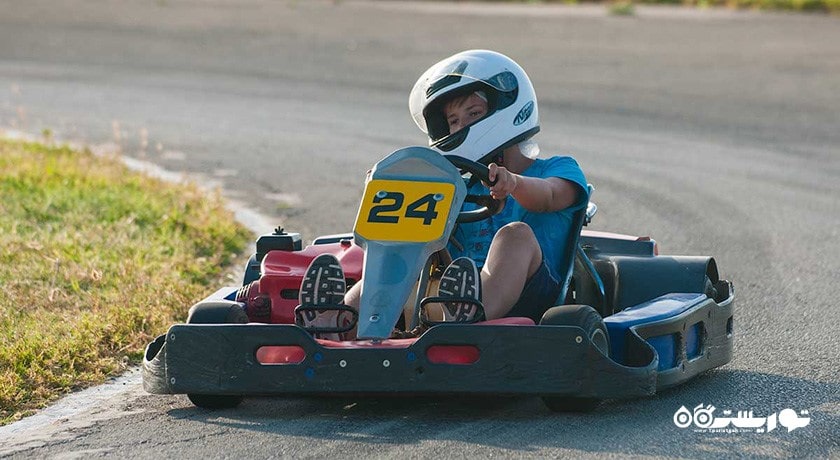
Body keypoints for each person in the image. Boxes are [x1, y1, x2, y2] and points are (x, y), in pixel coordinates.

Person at [298, 49, 589, 338]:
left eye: (473, 114)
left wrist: (513, 183)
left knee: (515, 235)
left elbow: (550, 196)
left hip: (529, 296)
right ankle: (338, 323)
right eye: (454, 121)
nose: (462, 126)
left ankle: (471, 313)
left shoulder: (557, 168)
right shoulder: (458, 186)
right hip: (448, 295)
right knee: (406, 247)